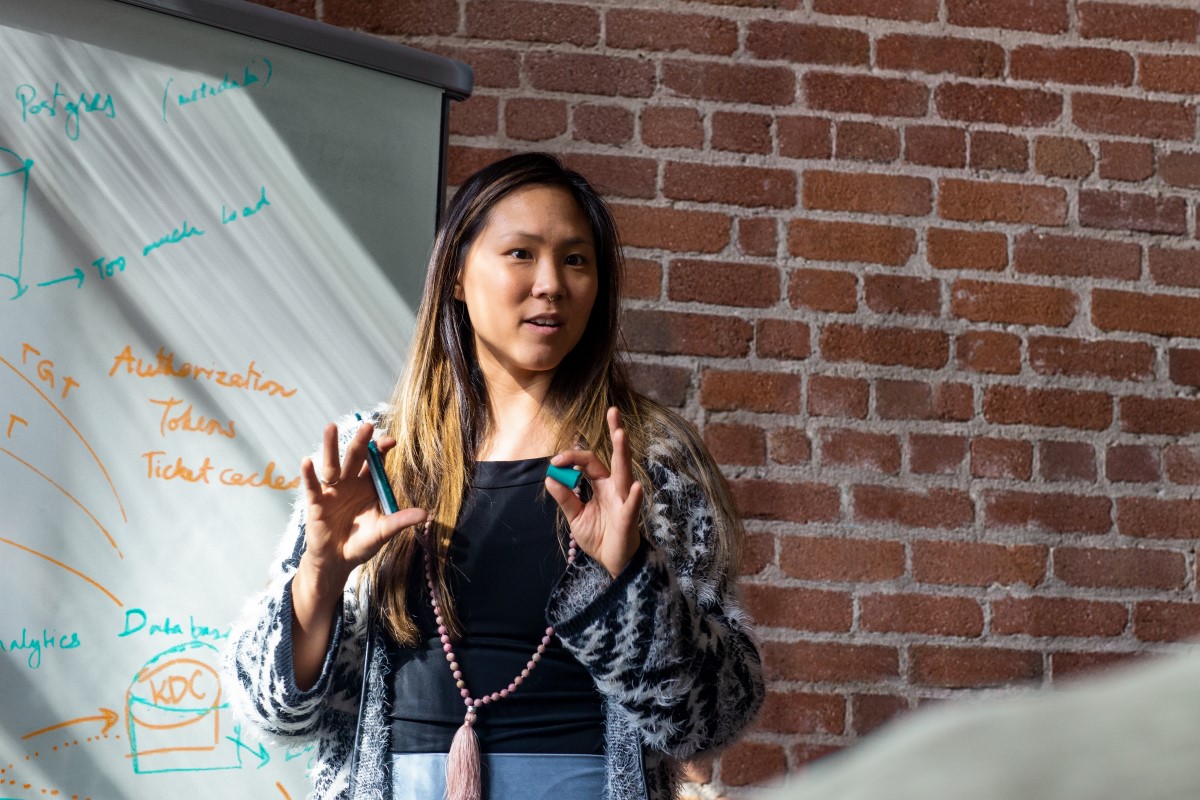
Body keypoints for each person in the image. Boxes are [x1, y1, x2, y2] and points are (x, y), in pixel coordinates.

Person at [223, 152, 765, 800]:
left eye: (575, 259)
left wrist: (630, 584)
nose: (551, 284)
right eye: (520, 254)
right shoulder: (380, 458)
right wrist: (320, 574)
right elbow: (273, 713)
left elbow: (711, 720)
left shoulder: (647, 461)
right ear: (456, 275)